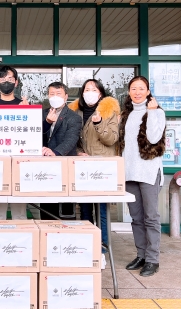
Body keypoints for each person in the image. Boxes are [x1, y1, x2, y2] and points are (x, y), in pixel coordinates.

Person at [118, 75, 166, 277]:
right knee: (136, 218)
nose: (137, 92)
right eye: (133, 88)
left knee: (151, 217)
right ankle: (141, 255)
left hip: (148, 172)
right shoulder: (126, 114)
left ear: (148, 91)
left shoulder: (157, 112)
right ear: (129, 92)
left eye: (141, 88)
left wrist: (153, 113)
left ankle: (153, 259)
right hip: (130, 172)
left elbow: (154, 138)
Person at [68, 79, 120, 250]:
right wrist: (76, 152)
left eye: (93, 89)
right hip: (82, 165)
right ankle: (86, 242)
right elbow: (72, 139)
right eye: (86, 89)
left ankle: (103, 244)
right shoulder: (76, 113)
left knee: (102, 209)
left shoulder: (109, 111)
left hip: (102, 166)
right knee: (84, 208)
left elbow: (111, 139)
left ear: (100, 93)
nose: (89, 92)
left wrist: (98, 124)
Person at [0, 66, 29, 220]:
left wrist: (28, 113)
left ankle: (20, 243)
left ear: (16, 83)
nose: (6, 82)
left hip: (19, 163)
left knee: (20, 212)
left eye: (10, 79)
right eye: (2, 79)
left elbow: (35, 133)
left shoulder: (24, 105)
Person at [39, 82, 83, 220]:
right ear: (48, 96)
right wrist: (46, 122)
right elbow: (34, 135)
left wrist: (56, 152)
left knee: (65, 206)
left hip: (64, 165)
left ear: (66, 97)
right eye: (52, 94)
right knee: (46, 206)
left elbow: (71, 139)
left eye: (58, 94)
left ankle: (65, 237)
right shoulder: (41, 114)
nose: (55, 97)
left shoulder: (73, 117)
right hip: (44, 167)